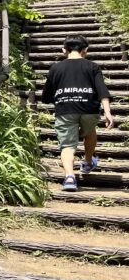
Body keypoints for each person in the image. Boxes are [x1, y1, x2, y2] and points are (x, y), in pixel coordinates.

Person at [41, 35, 115, 191]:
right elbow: (102, 90)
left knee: (67, 145)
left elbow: (46, 96)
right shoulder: (92, 66)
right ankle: (87, 162)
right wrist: (107, 112)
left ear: (64, 50)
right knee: (90, 131)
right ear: (85, 50)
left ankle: (69, 178)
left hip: (65, 108)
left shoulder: (56, 68)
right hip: (89, 109)